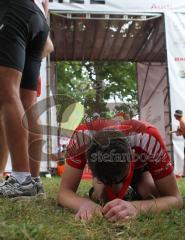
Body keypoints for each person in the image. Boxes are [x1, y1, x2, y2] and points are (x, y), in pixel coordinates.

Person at [58, 119, 182, 221]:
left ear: (133, 155)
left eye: (120, 180)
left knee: (151, 194)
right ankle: (100, 187)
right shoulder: (81, 138)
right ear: (88, 163)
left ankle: (122, 186)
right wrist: (85, 204)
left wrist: (136, 207)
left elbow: (175, 199)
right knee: (103, 198)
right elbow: (64, 192)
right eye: (105, 181)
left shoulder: (148, 138)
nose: (116, 190)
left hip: (140, 172)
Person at [0, 0, 50, 198]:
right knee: (27, 101)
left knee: (6, 92)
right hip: (38, 16)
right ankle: (34, 181)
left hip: (14, 9)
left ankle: (21, 180)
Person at [174, 109, 185, 177]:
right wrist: (180, 131)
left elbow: (181, 133)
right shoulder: (182, 121)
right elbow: (180, 134)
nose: (174, 116)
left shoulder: (182, 121)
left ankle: (184, 174)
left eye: (175, 115)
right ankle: (184, 174)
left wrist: (180, 131)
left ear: (177, 115)